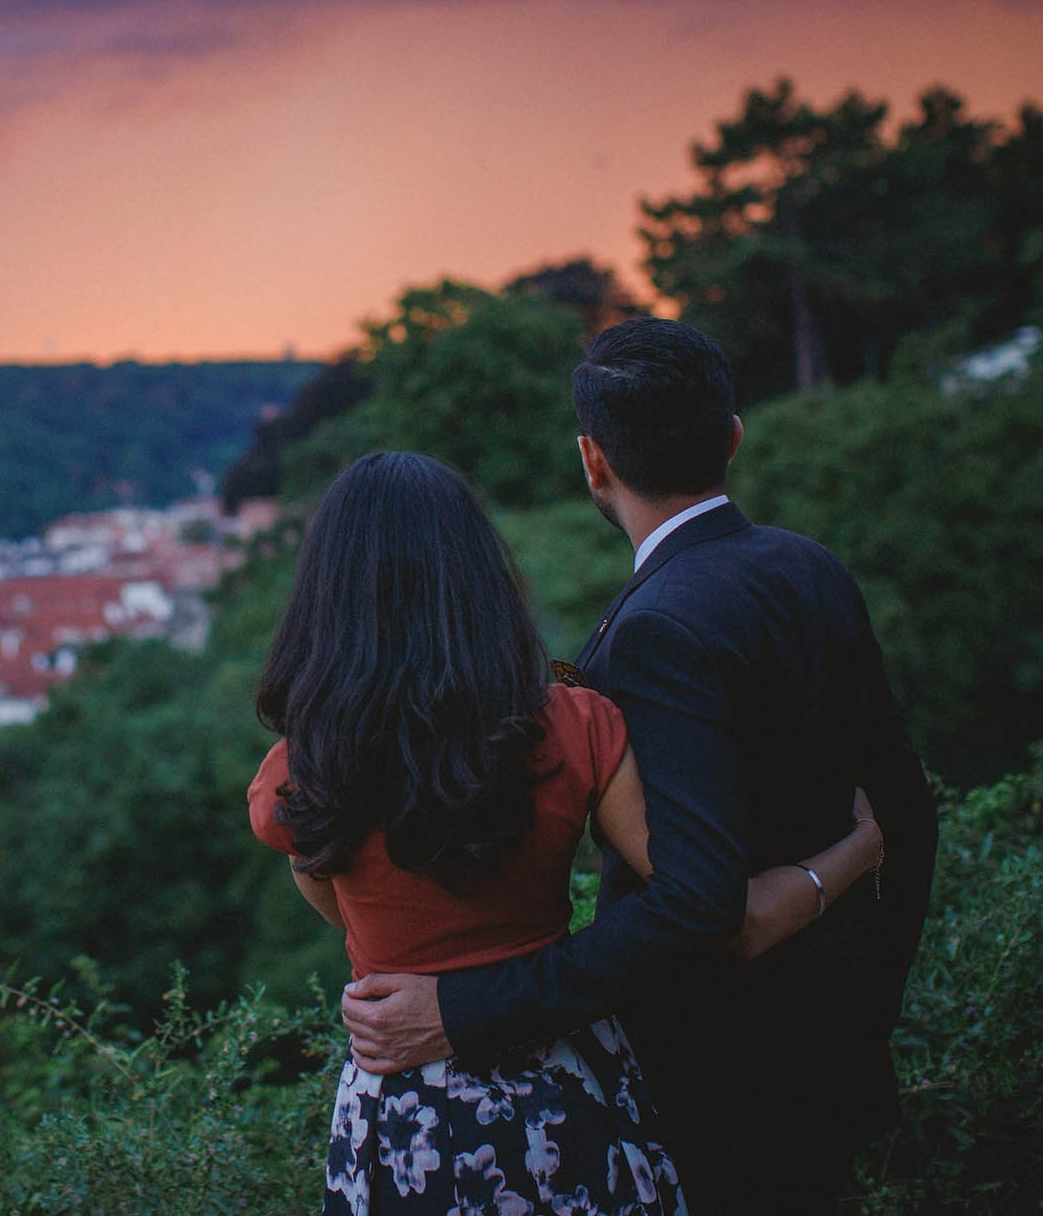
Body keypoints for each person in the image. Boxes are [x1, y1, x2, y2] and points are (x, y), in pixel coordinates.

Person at [338, 320, 938, 1214]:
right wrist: (866, 1002)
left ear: (593, 460)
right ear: (733, 434)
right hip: (835, 1054)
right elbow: (906, 811)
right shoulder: (812, 567)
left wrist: (464, 1010)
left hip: (715, 1087)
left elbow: (697, 902)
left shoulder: (653, 633)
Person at [249, 449, 887, 1214]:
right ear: (478, 576)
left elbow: (334, 899)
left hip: (407, 1103)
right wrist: (852, 850)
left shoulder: (298, 773)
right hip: (564, 1080)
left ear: (328, 593)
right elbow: (700, 897)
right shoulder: (577, 724)